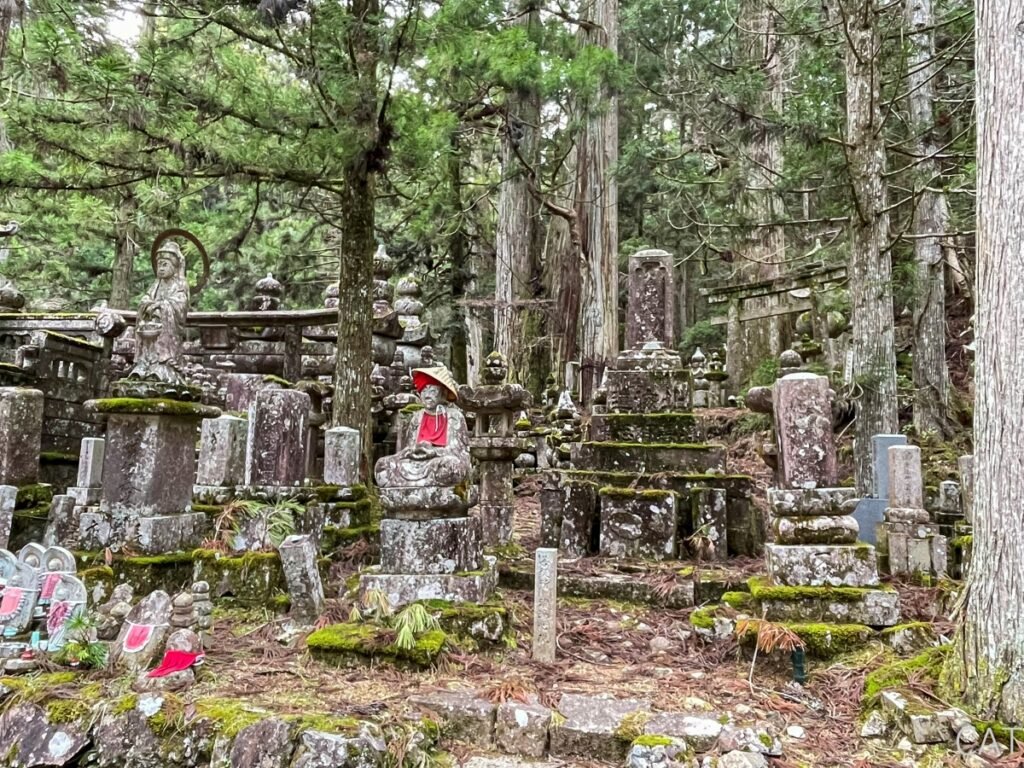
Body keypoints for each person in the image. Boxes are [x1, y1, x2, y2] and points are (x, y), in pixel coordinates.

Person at [375, 366, 470, 487]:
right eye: (424, 391)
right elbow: (408, 448)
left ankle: (413, 483)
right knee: (383, 465)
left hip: (439, 461)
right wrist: (415, 451)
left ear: (443, 393)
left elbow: (458, 451)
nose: (427, 395)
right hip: (416, 462)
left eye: (432, 391)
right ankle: (417, 483)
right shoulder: (417, 418)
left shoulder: (454, 416)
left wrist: (433, 452)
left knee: (451, 466)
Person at [128, 242, 189, 384]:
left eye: (165, 265)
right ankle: (143, 365)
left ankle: (164, 365)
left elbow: (180, 304)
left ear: (174, 267)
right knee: (144, 329)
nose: (161, 269)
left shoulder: (180, 284)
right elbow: (146, 298)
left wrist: (161, 307)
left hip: (166, 326)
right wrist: (147, 305)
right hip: (151, 324)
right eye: (159, 265)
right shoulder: (156, 285)